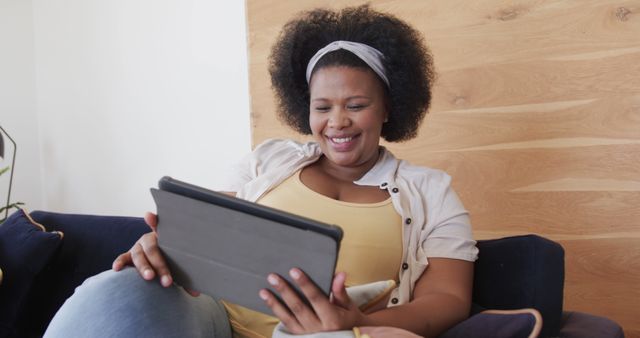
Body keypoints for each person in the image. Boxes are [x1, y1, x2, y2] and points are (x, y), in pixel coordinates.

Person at [44, 5, 478, 338]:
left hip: (334, 332)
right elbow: (212, 235)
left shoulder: (430, 191)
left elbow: (450, 298)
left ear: (388, 108)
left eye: (357, 106)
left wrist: (359, 322)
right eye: (322, 107)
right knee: (120, 289)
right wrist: (163, 244)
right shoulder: (270, 159)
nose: (337, 122)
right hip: (213, 319)